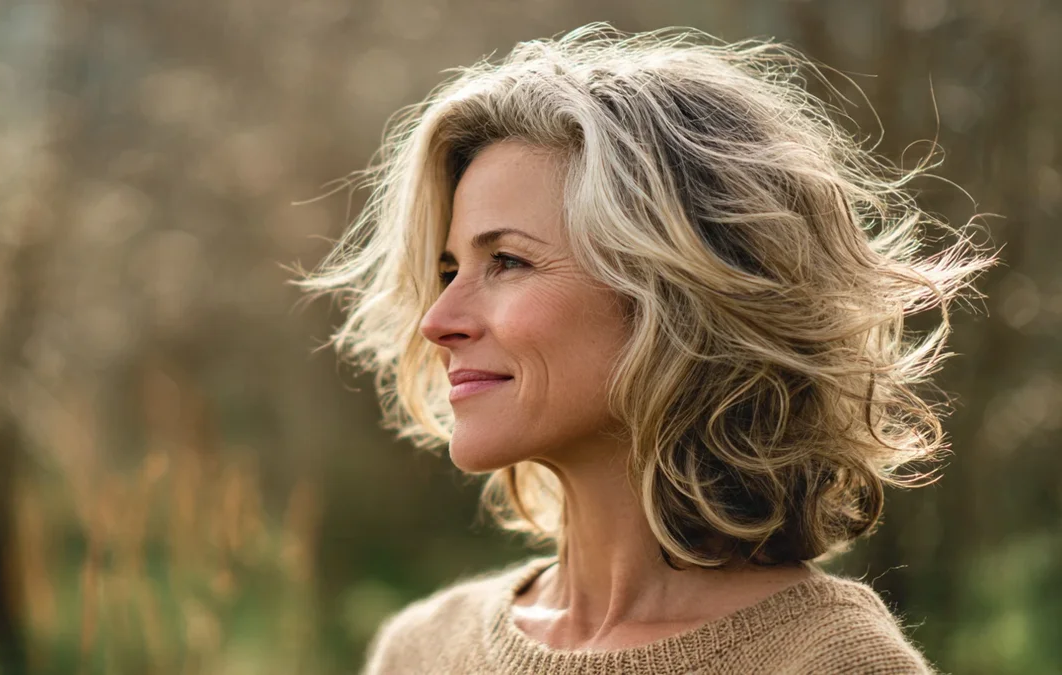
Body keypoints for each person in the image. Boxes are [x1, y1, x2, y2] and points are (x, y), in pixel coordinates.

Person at [297, 24, 992, 674]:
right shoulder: (421, 649)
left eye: (506, 261)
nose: (438, 319)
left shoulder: (830, 663)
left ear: (677, 297)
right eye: (449, 270)